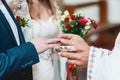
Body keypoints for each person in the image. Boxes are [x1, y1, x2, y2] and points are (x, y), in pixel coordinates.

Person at [6, 0, 67, 80]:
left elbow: (60, 32)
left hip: (54, 61)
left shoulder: (51, 3)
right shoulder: (17, 4)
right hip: (32, 63)